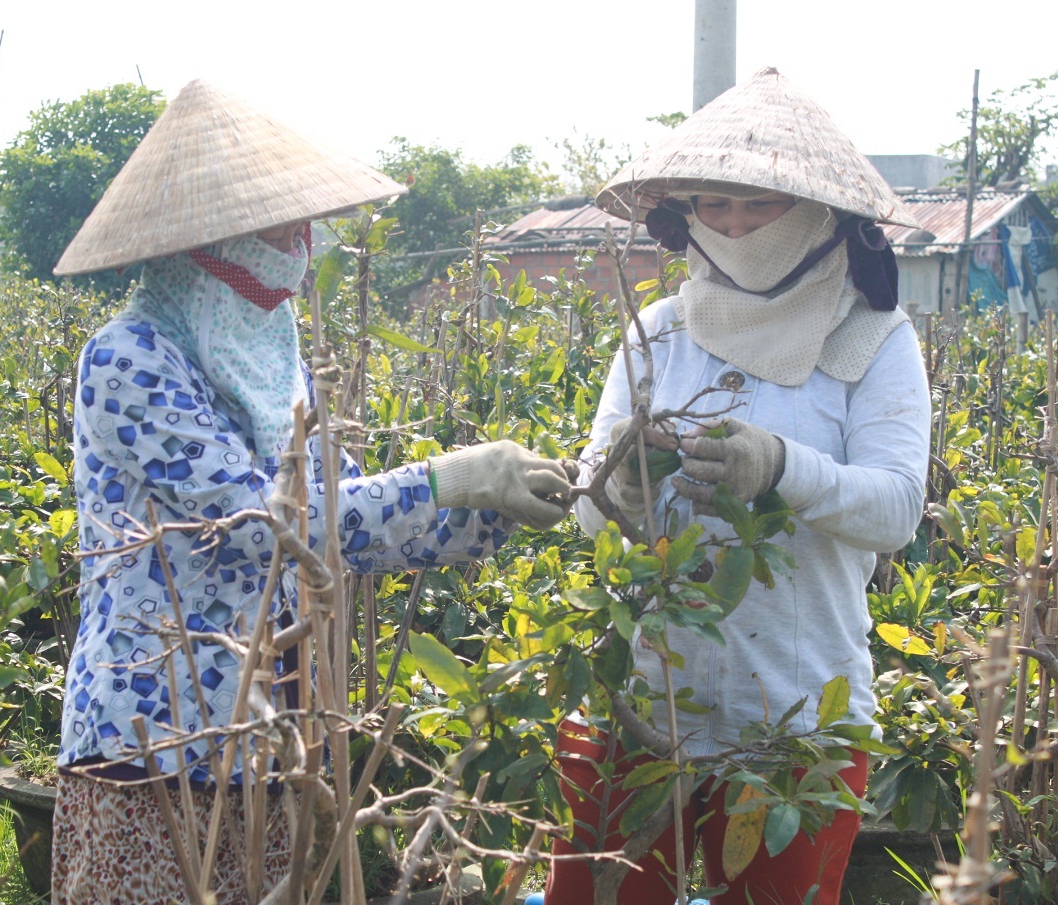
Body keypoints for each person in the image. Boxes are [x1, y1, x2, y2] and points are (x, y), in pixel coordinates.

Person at [50, 80, 572, 905]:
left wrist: (486, 506)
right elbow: (261, 525)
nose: (293, 250)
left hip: (272, 729)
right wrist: (446, 478)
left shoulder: (275, 362)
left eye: (296, 227)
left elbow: (336, 517)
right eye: (269, 232)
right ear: (202, 243)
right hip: (155, 733)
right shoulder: (130, 360)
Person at [544, 68, 932, 905]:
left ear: (819, 215)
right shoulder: (660, 333)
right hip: (644, 691)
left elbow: (897, 507)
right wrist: (621, 487)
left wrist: (783, 468)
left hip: (795, 712)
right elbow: (586, 511)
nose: (733, 224)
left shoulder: (872, 338)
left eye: (758, 205)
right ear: (683, 216)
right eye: (713, 206)